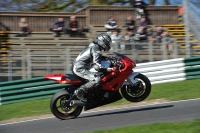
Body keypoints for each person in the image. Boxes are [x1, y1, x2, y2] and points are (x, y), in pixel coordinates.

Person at [72, 33, 114, 102]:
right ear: (102, 41)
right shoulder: (96, 49)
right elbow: (97, 66)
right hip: (79, 69)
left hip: (79, 66)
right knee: (96, 79)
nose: (108, 44)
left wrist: (108, 58)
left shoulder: (93, 45)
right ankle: (79, 91)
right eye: (107, 42)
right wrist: (110, 69)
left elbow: (97, 57)